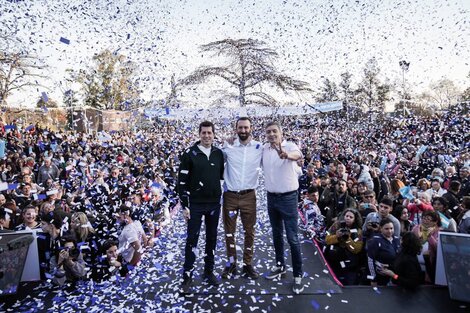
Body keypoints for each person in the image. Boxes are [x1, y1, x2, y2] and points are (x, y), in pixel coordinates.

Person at [177, 121, 224, 293]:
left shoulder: (219, 154)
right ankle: (187, 276)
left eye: (209, 133)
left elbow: (220, 176)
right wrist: (184, 205)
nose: (206, 136)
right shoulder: (189, 153)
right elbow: (181, 182)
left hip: (213, 203)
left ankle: (208, 272)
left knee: (212, 238)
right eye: (203, 133)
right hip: (195, 205)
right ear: (199, 134)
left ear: (213, 134)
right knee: (192, 240)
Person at [262, 121, 304, 294]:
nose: (271, 134)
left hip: (288, 198)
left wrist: (286, 155)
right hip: (271, 198)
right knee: (277, 234)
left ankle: (298, 275)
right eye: (268, 132)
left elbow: (297, 155)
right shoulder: (264, 149)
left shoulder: (290, 146)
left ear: (281, 132)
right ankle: (280, 267)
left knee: (292, 238)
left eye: (274, 131)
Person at [221, 117, 262, 280]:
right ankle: (232, 263)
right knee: (229, 233)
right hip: (230, 196)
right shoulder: (228, 146)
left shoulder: (259, 147)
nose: (243, 131)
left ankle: (247, 264)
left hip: (249, 196)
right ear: (236, 128)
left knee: (249, 232)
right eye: (240, 128)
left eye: (246, 128)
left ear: (251, 128)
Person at [325, 208, 364, 285]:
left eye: (351, 217)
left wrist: (347, 239)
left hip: (349, 259)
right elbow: (327, 240)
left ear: (355, 219)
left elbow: (356, 249)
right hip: (336, 256)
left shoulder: (358, 231)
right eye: (347, 216)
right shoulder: (336, 225)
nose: (348, 218)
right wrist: (337, 237)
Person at [367, 218, 401, 286]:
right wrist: (373, 279)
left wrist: (390, 267)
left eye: (391, 228)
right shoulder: (375, 240)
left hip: (394, 275)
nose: (390, 231)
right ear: (381, 229)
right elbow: (370, 260)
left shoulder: (397, 239)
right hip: (380, 276)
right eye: (386, 229)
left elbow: (399, 258)